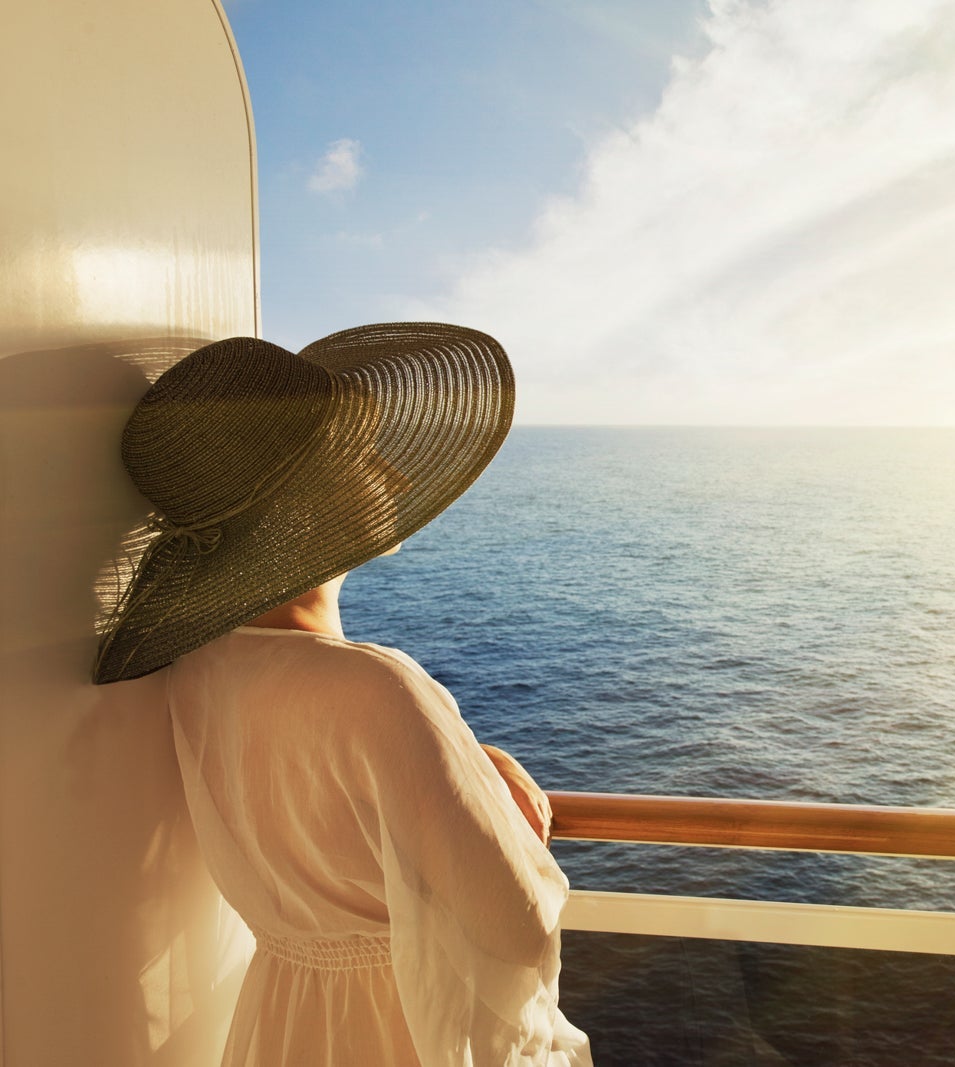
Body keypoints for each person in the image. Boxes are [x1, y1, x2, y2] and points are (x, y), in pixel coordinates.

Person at [93, 324, 591, 1066]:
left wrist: (462, 760)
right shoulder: (376, 687)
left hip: (287, 1025)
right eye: (365, 457)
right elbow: (517, 926)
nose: (392, 476)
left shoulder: (199, 668)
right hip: (399, 1034)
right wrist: (500, 802)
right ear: (303, 495)